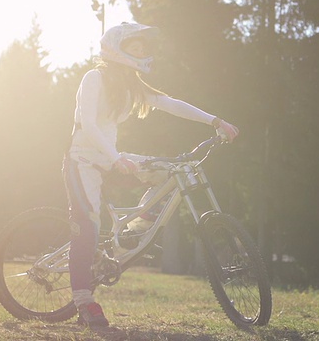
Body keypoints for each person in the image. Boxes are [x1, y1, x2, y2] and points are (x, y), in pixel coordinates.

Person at [63, 22, 239, 327]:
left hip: (112, 159)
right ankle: (84, 302)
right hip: (84, 161)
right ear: (116, 47)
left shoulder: (133, 87)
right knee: (88, 224)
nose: (143, 51)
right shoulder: (93, 78)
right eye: (136, 46)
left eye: (145, 47)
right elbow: (88, 126)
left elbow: (170, 103)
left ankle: (130, 233)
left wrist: (215, 121)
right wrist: (116, 158)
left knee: (171, 173)